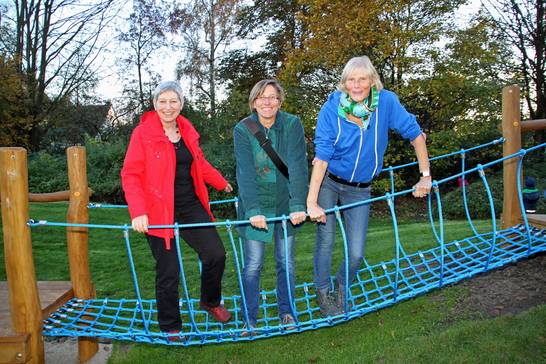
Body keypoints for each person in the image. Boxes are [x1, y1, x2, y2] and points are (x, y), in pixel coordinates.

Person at [306, 56, 432, 316]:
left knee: (356, 253)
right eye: (351, 79)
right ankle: (322, 291)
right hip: (329, 181)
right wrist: (312, 201)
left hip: (359, 188)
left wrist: (425, 175)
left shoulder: (386, 103)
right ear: (344, 83)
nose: (356, 85)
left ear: (373, 81)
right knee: (326, 240)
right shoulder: (331, 108)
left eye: (362, 79)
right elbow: (322, 156)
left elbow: (416, 135)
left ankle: (342, 284)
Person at [121, 81, 233, 339]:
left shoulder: (187, 130)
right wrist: (138, 211)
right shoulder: (143, 133)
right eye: (163, 101)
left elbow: (199, 163)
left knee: (216, 254)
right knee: (169, 269)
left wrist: (220, 182)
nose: (168, 107)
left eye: (174, 101)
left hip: (189, 205)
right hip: (158, 208)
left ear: (182, 104)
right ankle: (170, 325)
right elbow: (131, 174)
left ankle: (210, 302)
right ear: (155, 104)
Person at [234, 79, 308, 334]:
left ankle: (286, 312)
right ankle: (249, 319)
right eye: (262, 97)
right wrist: (253, 210)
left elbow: (298, 165)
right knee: (253, 264)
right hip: (256, 203)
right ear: (254, 102)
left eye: (273, 97)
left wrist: (299, 202)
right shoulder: (243, 129)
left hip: (286, 202)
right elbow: (244, 172)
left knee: (286, 261)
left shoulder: (292, 124)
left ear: (280, 100)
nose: (267, 102)